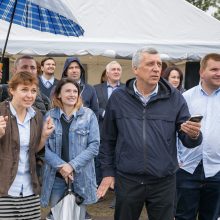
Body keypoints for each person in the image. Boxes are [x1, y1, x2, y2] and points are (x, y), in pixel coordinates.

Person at [97, 47, 203, 220]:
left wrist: (193, 135)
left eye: (159, 64)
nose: (156, 68)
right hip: (128, 180)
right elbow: (108, 139)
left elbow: (188, 139)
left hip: (163, 181)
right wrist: (108, 172)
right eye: (150, 64)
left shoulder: (174, 97)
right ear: (135, 69)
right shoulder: (118, 98)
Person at [40, 78, 100, 220]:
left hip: (81, 178)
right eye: (68, 91)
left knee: (78, 216)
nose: (72, 94)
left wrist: (71, 165)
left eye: (75, 91)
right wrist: (61, 167)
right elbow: (43, 147)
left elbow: (94, 146)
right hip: (57, 179)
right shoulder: (50, 116)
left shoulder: (88, 115)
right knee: (58, 215)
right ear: (58, 94)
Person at [0, 71, 54, 220]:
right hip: (4, 190)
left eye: (33, 91)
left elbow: (33, 151)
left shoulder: (36, 115)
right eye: (24, 89)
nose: (29, 95)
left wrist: (43, 137)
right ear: (11, 90)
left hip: (30, 189)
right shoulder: (0, 112)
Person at [175, 53, 220, 220]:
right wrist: (175, 159)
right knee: (183, 216)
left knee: (211, 217)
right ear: (201, 71)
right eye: (214, 69)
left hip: (217, 169)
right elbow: (174, 132)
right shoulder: (185, 98)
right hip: (188, 168)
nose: (218, 73)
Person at [94, 61, 125, 186]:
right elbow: (92, 107)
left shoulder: (126, 89)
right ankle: (98, 188)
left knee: (119, 159)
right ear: (107, 73)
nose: (116, 71)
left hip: (121, 131)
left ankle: (117, 190)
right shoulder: (96, 88)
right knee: (100, 158)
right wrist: (103, 113)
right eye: (113, 69)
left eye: (118, 69)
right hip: (101, 129)